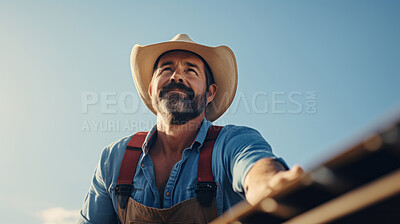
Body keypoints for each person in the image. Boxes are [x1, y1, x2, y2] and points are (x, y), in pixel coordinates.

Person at [77, 34, 303, 224]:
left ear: (210, 93)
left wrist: (268, 184)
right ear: (151, 88)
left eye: (191, 71)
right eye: (166, 69)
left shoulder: (231, 142)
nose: (176, 76)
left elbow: (255, 167)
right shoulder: (114, 158)